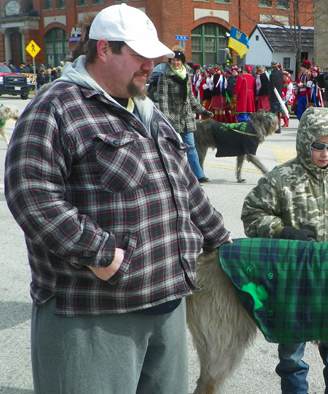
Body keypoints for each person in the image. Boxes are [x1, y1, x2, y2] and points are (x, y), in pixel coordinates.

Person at [4, 4, 231, 394]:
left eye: (153, 57)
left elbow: (185, 187)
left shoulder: (147, 109)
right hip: (92, 313)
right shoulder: (55, 107)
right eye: (140, 56)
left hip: (167, 304)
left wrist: (223, 244)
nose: (151, 66)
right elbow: (31, 194)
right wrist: (101, 252)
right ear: (104, 49)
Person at [241, 106, 328, 394]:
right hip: (294, 283)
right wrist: (282, 231)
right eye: (318, 146)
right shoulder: (282, 178)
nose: (326, 153)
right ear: (305, 142)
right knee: (291, 354)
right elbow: (252, 214)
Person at [157, 47, 213, 183]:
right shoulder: (165, 77)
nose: (176, 63)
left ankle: (198, 175)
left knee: (191, 147)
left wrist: (203, 111)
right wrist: (166, 119)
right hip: (172, 118)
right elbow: (162, 100)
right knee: (173, 148)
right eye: (173, 60)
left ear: (182, 61)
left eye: (178, 60)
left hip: (187, 117)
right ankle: (172, 174)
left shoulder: (187, 75)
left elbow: (191, 98)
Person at [268, 61, 283, 133]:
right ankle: (277, 127)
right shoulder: (280, 73)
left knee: (274, 113)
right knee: (277, 112)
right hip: (279, 95)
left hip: (274, 96)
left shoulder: (272, 75)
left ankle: (277, 127)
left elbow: (272, 86)